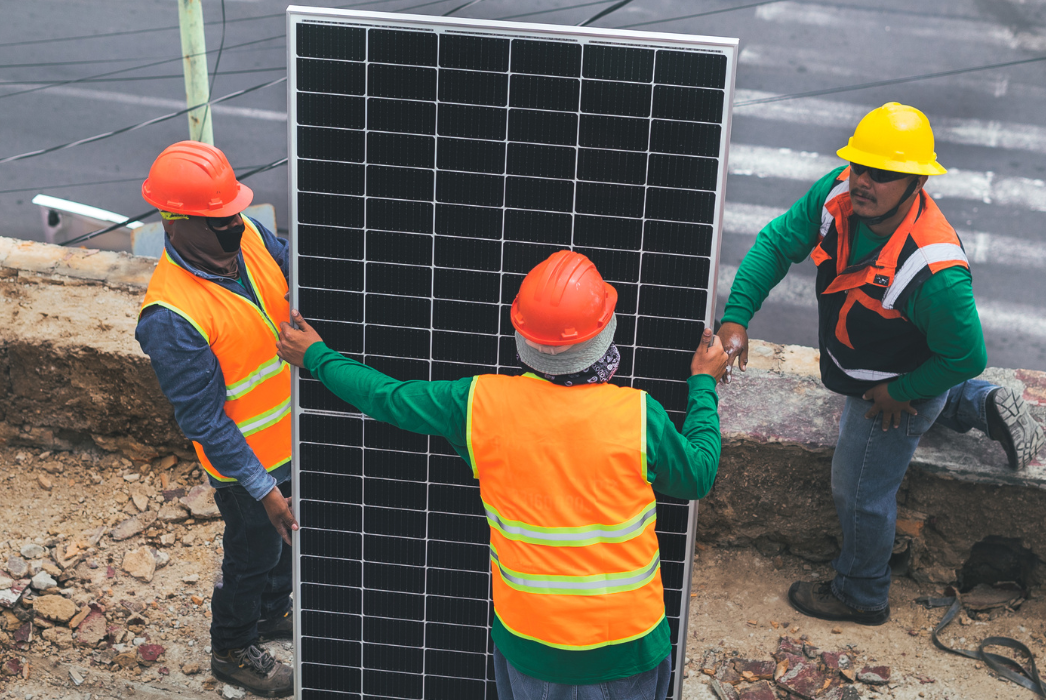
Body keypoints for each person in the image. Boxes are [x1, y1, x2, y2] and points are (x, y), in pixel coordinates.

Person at [277, 250, 728, 700]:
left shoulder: (477, 405)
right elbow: (698, 474)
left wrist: (317, 356)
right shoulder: (637, 415)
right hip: (625, 649)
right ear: (605, 336)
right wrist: (703, 382)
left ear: (523, 337)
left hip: (528, 645)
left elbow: (386, 397)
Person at [716, 103, 1045, 627]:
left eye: (882, 174)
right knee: (904, 424)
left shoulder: (933, 268)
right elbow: (777, 243)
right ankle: (979, 403)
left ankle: (861, 592)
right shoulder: (837, 194)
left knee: (861, 488)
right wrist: (736, 317)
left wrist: (903, 392)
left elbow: (965, 354)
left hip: (894, 386)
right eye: (858, 168)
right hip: (868, 362)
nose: (863, 182)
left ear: (916, 181)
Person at [133, 141, 297, 697]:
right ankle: (231, 648)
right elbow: (204, 420)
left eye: (233, 212)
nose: (234, 225)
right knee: (252, 553)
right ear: (174, 223)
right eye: (219, 220)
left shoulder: (245, 233)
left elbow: (286, 266)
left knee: (281, 547)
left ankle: (274, 613)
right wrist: (262, 487)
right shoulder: (171, 317)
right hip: (245, 464)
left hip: (291, 439)